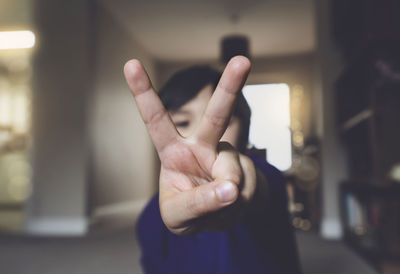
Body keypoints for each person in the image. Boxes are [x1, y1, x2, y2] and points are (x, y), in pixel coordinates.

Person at [123, 56, 302, 274]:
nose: (201, 136)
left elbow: (261, 187)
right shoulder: (151, 217)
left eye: (224, 123)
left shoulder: (266, 174)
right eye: (182, 122)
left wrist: (240, 182)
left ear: (244, 129)